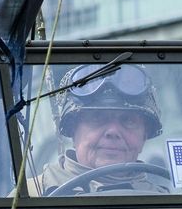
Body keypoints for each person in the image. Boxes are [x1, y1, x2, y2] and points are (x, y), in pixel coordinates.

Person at [27, 63, 169, 196]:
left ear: (144, 136)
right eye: (97, 118)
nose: (113, 131)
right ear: (73, 132)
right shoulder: (29, 196)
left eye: (128, 121)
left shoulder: (172, 205)